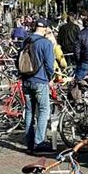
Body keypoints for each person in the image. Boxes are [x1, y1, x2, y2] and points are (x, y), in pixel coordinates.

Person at [20, 19, 56, 154]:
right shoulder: (46, 43)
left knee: (29, 111)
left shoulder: (26, 40)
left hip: (26, 79)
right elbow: (49, 65)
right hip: (40, 80)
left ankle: (29, 143)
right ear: (46, 29)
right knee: (43, 110)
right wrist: (50, 78)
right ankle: (39, 143)